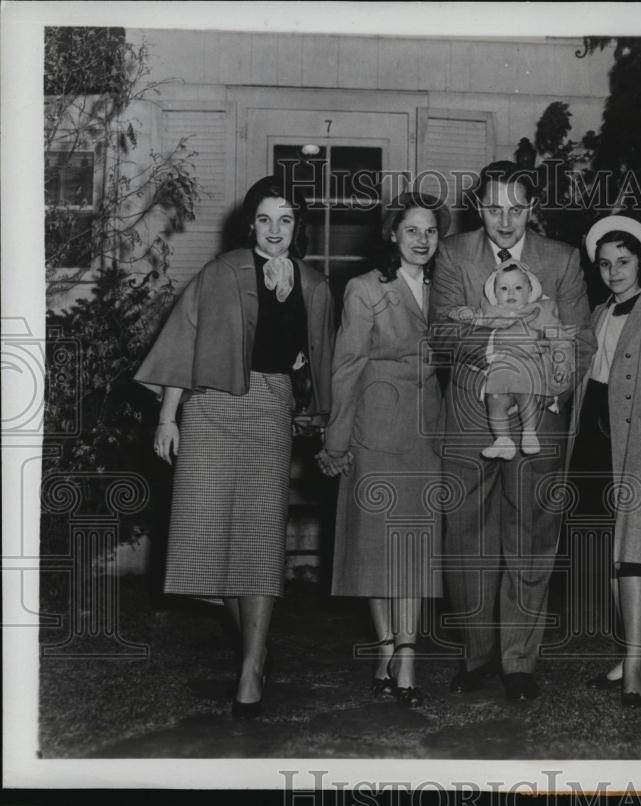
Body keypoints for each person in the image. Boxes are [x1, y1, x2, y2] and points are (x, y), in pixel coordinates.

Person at [134, 174, 335, 718]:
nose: (275, 230)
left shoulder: (314, 286)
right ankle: (258, 643)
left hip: (270, 410)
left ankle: (249, 668)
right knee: (203, 541)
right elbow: (183, 344)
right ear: (251, 223)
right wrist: (167, 418)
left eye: (287, 219)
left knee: (260, 540)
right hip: (210, 409)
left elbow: (319, 362)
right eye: (265, 219)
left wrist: (312, 397)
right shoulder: (219, 273)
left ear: (300, 226)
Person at [429, 160, 595, 702]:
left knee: (531, 537)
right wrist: (506, 349)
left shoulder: (563, 259)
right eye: (495, 209)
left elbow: (579, 342)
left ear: (532, 208)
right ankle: (477, 656)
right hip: (471, 408)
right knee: (467, 538)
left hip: (540, 412)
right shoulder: (453, 253)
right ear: (479, 208)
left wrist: (550, 383)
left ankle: (519, 661)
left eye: (517, 209)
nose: (506, 221)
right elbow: (444, 335)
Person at [315, 192, 448, 708]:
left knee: (413, 545)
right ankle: (385, 646)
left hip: (427, 430)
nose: (422, 240)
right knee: (375, 546)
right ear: (393, 234)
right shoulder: (364, 288)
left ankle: (408, 653)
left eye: (431, 232)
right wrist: (337, 440)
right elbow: (346, 365)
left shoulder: (447, 290)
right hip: (374, 426)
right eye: (412, 230)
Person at [569, 216, 641, 708]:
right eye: (605, 263)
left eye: (623, 261)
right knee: (607, 554)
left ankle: (635, 660)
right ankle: (633, 649)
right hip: (593, 442)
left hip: (637, 446)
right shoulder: (596, 313)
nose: (614, 271)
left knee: (634, 551)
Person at [447, 258, 575, 460]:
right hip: (500, 368)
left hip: (529, 365)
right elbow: (475, 318)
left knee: (527, 396)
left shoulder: (540, 311)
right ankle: (503, 440)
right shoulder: (490, 311)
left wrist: (562, 362)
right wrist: (463, 313)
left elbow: (560, 337)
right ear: (494, 294)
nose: (511, 293)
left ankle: (530, 434)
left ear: (530, 290)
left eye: (518, 287)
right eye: (504, 288)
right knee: (494, 400)